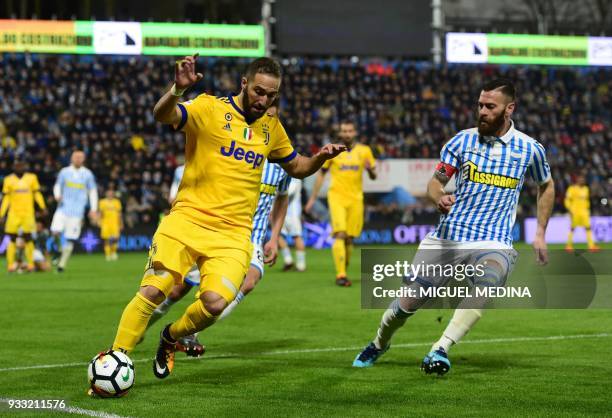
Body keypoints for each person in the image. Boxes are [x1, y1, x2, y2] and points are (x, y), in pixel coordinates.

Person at [105, 55, 345, 382]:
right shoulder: (209, 108)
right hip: (186, 221)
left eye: (271, 96)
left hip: (233, 235)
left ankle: (170, 337)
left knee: (215, 304)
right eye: (259, 91)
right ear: (244, 84)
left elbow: (298, 168)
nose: (264, 100)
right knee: (155, 289)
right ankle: (115, 358)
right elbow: (162, 114)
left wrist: (319, 158)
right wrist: (178, 88)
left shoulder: (271, 128)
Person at [352, 79, 555, 375]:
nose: (482, 111)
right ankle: (379, 342)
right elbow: (435, 183)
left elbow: (546, 185)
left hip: (494, 241)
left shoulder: (529, 149)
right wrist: (439, 197)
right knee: (406, 304)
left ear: (509, 109)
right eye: (480, 105)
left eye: (490, 106)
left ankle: (441, 348)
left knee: (488, 283)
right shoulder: (461, 142)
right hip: (448, 239)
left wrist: (539, 232)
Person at [306, 121, 377, 286]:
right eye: (344, 131)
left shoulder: (365, 151)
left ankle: (343, 266)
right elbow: (321, 175)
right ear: (340, 133)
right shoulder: (333, 150)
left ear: (355, 132)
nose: (347, 134)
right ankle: (341, 275)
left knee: (350, 238)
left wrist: (370, 170)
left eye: (350, 131)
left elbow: (374, 176)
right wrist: (313, 198)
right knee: (340, 234)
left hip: (356, 199)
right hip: (336, 197)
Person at [50, 150, 98, 272]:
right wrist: (57, 195)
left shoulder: (88, 174)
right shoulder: (64, 172)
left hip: (77, 212)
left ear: (83, 159)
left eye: (80, 157)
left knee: (70, 239)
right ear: (71, 158)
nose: (78, 159)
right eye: (76, 157)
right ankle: (59, 249)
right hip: (62, 208)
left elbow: (93, 192)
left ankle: (61, 265)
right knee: (55, 232)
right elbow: (57, 185)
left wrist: (93, 209)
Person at [0, 160, 47, 272]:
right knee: (11, 238)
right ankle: (11, 265)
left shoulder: (32, 178)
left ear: (25, 167)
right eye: (17, 166)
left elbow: (37, 194)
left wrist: (42, 207)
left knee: (28, 238)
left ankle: (30, 265)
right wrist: (1, 213)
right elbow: (6, 198)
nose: (19, 167)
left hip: (28, 213)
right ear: (13, 167)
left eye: (21, 165)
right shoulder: (8, 180)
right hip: (13, 214)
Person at [564, 173, 599, 252]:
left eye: (583, 179)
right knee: (572, 228)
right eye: (580, 179)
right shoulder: (572, 189)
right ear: (577, 180)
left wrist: (587, 208)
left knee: (588, 228)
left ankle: (591, 246)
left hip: (584, 212)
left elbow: (586, 201)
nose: (582, 180)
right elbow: (567, 200)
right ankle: (568, 245)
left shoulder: (586, 189)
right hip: (575, 212)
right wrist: (569, 209)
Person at [279, 178, 307, 271]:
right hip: (281, 210)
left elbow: (290, 191)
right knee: (278, 235)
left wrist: (276, 194)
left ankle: (301, 264)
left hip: (292, 211)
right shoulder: (284, 173)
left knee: (296, 235)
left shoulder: (295, 176)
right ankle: (288, 260)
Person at [99, 189, 123, 261]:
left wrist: (121, 223)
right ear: (106, 194)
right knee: (106, 239)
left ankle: (113, 253)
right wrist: (98, 221)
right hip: (105, 223)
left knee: (115, 239)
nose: (110, 195)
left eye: (111, 193)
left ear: (113, 194)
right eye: (108, 193)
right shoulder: (102, 202)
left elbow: (119, 214)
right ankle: (108, 254)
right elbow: (100, 213)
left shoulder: (117, 202)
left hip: (115, 223)